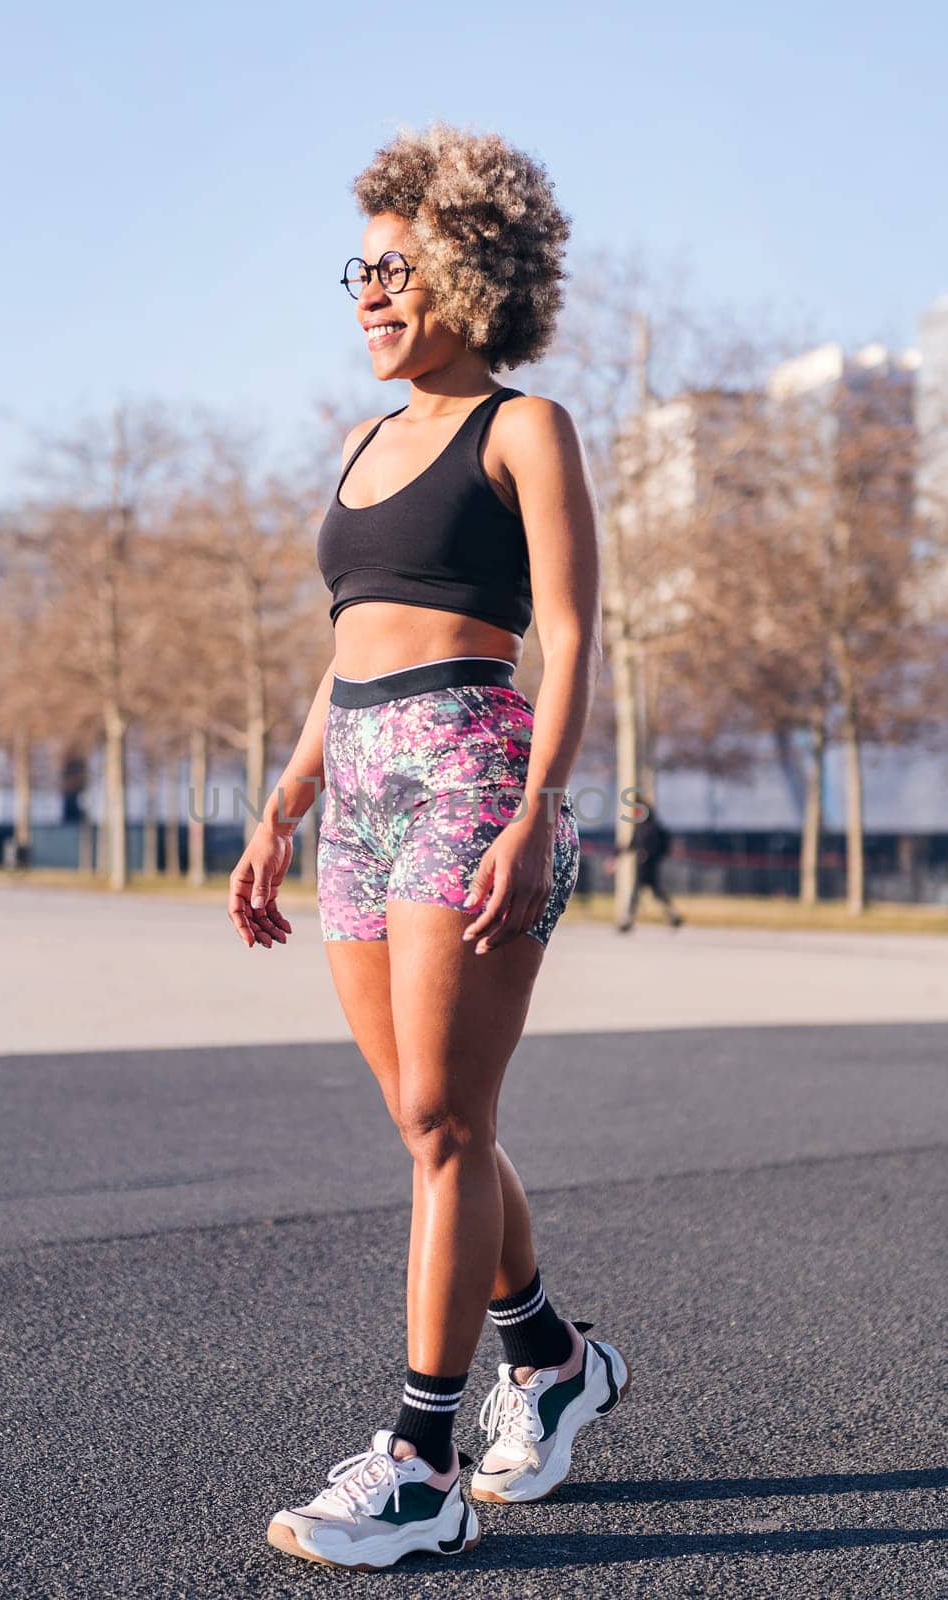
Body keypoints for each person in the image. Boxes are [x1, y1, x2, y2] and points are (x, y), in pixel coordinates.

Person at [227, 122, 631, 1572]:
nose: (368, 295)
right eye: (360, 271)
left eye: (395, 270)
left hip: (472, 769)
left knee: (444, 1130)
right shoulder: (356, 442)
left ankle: (416, 1462)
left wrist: (536, 809)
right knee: (424, 1119)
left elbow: (572, 634)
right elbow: (343, 653)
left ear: (471, 267)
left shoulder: (523, 428)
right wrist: (281, 803)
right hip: (356, 783)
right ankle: (556, 1362)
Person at [615, 791, 684, 932]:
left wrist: (649, 855)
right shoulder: (641, 827)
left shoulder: (652, 828)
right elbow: (630, 845)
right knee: (644, 893)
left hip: (650, 866)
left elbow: (659, 847)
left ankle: (671, 915)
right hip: (643, 867)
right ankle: (671, 915)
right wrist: (615, 856)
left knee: (649, 893)